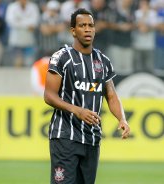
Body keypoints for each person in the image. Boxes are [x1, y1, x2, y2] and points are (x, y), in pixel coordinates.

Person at [44, 8, 130, 184]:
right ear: (73, 31)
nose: (88, 29)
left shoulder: (103, 61)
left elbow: (111, 95)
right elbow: (49, 95)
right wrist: (77, 110)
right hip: (65, 136)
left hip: (91, 138)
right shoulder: (62, 57)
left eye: (91, 25)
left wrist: (122, 118)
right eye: (82, 25)